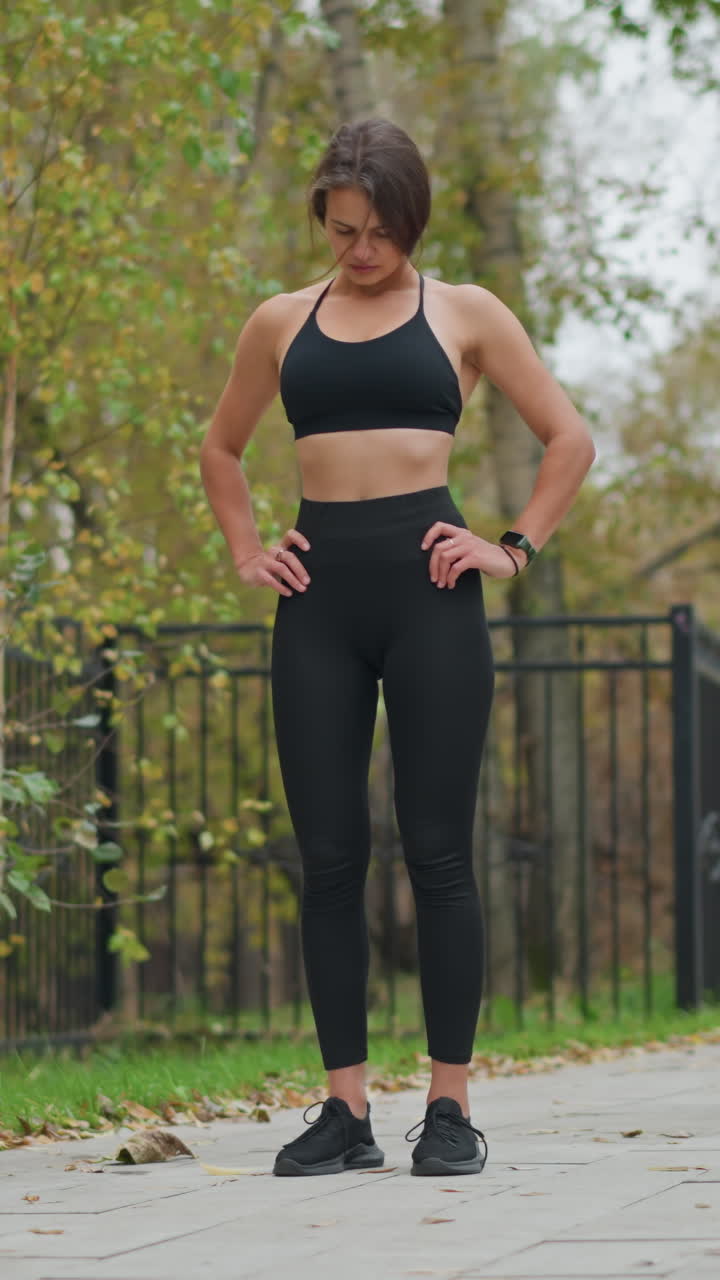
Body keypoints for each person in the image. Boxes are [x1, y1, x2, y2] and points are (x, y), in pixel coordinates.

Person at [199, 117, 596, 1178]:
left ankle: (452, 1106)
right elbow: (222, 445)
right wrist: (247, 547)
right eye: (340, 231)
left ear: (409, 219)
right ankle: (345, 1110)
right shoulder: (282, 320)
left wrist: (510, 548)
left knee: (440, 849)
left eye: (375, 231)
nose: (358, 251)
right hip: (318, 599)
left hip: (434, 594)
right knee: (328, 854)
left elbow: (570, 436)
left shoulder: (465, 312)